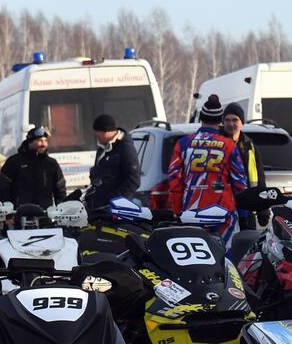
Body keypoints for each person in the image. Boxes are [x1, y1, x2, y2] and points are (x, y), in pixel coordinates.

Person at [161, 95, 248, 241]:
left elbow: (174, 179)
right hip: (223, 213)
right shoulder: (229, 146)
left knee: (196, 259)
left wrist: (178, 211)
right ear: (221, 119)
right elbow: (240, 184)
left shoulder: (183, 144)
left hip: (192, 213)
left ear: (201, 118)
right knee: (227, 260)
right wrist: (244, 215)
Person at [0, 126, 66, 216]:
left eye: (45, 141)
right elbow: (3, 188)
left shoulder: (51, 164)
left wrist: (63, 214)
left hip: (44, 217)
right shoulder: (14, 161)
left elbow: (60, 191)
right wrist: (8, 214)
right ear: (30, 142)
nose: (43, 144)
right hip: (18, 217)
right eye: (39, 140)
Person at [86, 113, 141, 213]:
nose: (95, 135)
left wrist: (116, 199)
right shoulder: (102, 149)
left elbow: (133, 179)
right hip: (100, 206)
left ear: (105, 131)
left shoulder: (125, 148)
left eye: (97, 131)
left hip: (116, 208)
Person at [222, 103, 260, 229]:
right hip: (223, 209)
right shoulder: (217, 144)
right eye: (227, 120)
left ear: (242, 122)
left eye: (235, 120)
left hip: (247, 209)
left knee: (248, 247)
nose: (230, 124)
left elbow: (259, 176)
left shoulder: (250, 146)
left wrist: (262, 208)